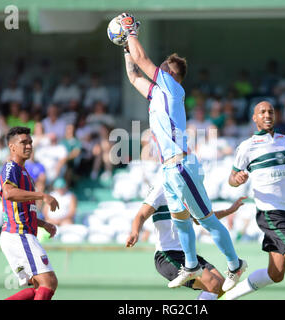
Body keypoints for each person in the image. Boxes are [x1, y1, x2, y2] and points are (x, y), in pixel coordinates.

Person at [119, 12, 246, 291]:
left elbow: (143, 62)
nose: (158, 69)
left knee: (206, 220)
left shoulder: (171, 87)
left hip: (181, 164)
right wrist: (125, 47)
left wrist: (131, 32)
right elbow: (132, 74)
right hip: (169, 167)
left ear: (171, 73)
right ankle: (190, 265)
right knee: (181, 218)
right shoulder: (158, 93)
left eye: (163, 66)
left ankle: (236, 264)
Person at [226, 101, 285, 300]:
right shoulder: (247, 147)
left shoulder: (284, 141)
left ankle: (226, 297)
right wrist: (238, 178)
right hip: (271, 214)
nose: (267, 115)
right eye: (262, 112)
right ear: (255, 118)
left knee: (275, 274)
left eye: (270, 111)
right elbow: (231, 179)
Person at [126, 177, 247, 300]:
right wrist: (135, 232)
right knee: (213, 284)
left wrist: (230, 210)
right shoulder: (161, 187)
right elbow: (141, 214)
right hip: (167, 255)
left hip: (189, 256)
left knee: (222, 287)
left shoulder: (189, 189)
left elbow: (202, 219)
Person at [0, 126, 60, 300]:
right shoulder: (12, 167)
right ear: (12, 147)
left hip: (21, 234)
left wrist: (43, 223)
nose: (28, 146)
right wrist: (42, 194)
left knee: (40, 286)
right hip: (18, 234)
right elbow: (9, 193)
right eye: (23, 142)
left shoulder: (25, 172)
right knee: (49, 282)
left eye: (30, 142)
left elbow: (23, 208)